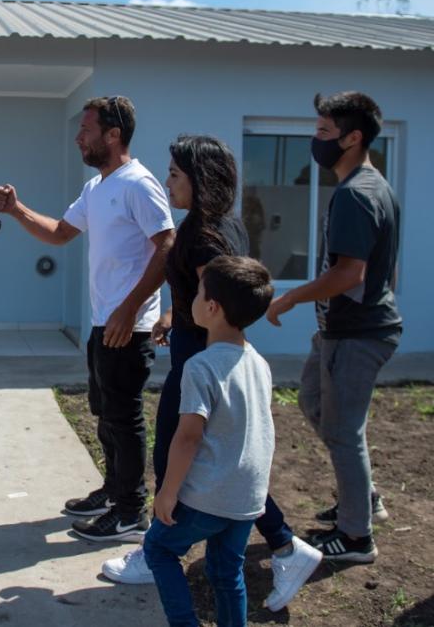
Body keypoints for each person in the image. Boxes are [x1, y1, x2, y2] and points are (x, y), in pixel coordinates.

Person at [101, 136, 321, 613]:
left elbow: (211, 296)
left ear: (199, 182)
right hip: (207, 346)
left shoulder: (201, 236)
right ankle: (284, 544)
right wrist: (170, 316)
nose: (167, 182)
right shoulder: (226, 224)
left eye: (176, 175)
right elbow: (208, 297)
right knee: (228, 462)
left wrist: (195, 345)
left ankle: (157, 547)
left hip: (202, 357)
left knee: (176, 448)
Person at [0, 96, 174, 541]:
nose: (79, 137)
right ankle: (115, 490)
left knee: (124, 415)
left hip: (127, 326)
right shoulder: (98, 187)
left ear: (113, 135)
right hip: (103, 322)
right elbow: (60, 233)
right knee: (104, 411)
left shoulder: (138, 183)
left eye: (87, 129)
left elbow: (168, 247)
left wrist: (131, 307)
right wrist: (16, 210)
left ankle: (132, 511)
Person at [267, 91, 400, 563]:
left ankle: (357, 536)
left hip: (356, 335)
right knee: (313, 401)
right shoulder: (371, 186)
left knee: (343, 431)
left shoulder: (356, 195)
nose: (315, 140)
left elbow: (349, 274)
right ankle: (362, 496)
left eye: (324, 132)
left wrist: (288, 297)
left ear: (353, 137)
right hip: (341, 331)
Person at [143, 256, 275, 627]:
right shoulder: (259, 363)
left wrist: (168, 492)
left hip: (206, 497)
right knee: (226, 571)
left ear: (212, 307)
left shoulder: (200, 366)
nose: (193, 298)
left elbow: (187, 437)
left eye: (198, 292)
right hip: (247, 497)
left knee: (159, 549)